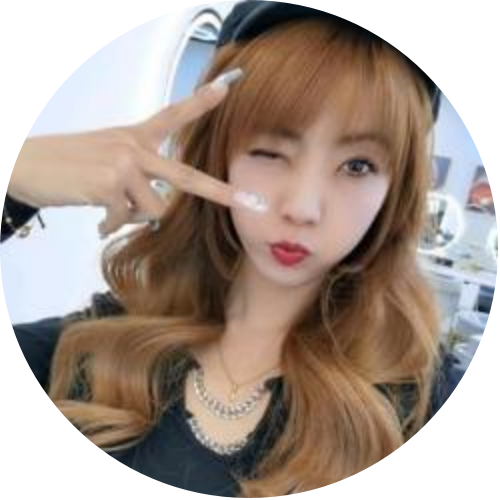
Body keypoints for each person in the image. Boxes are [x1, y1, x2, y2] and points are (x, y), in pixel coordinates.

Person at [5, 1, 466, 497]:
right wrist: (18, 180)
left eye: (358, 166)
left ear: (395, 190)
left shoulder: (420, 403)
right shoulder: (87, 352)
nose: (302, 208)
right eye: (269, 153)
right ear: (217, 157)